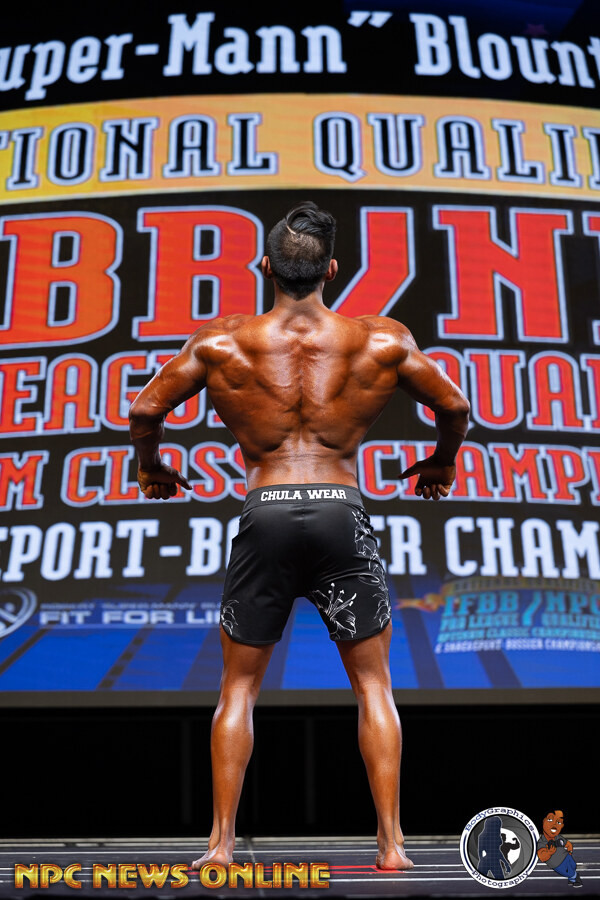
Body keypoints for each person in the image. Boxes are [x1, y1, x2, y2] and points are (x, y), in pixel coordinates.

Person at [129, 201, 470, 871]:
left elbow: (144, 411)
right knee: (373, 687)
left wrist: (152, 467)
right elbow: (455, 406)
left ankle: (221, 845)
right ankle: (392, 846)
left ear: (265, 266)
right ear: (332, 269)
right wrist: (442, 462)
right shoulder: (381, 340)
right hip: (342, 511)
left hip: (268, 511)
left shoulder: (221, 342)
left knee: (237, 690)